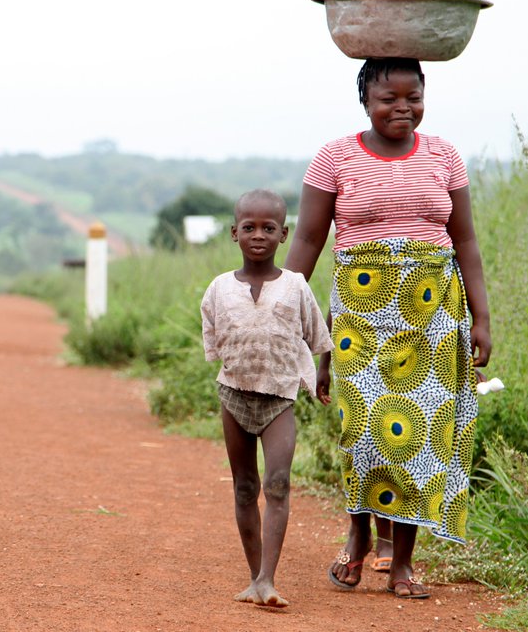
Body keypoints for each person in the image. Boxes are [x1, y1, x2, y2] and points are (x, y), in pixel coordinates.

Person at [283, 57, 492, 600]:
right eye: (388, 98)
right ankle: (358, 532)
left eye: (413, 97)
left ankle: (402, 563)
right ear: (365, 101)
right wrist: (282, 305)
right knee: (365, 432)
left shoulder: (444, 156)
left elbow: (466, 241)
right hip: (361, 316)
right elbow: (308, 239)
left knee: (421, 438)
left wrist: (482, 317)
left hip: (433, 315)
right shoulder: (335, 157)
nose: (403, 107)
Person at [200, 189, 334, 608]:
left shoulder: (295, 287)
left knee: (277, 484)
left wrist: (322, 373)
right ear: (234, 233)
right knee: (244, 488)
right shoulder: (219, 289)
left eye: (268, 228)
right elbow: (216, 344)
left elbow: (317, 336)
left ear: (283, 234)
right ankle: (253, 577)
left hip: (279, 399)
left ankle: (267, 580)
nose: (258, 235)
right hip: (234, 396)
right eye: (249, 227)